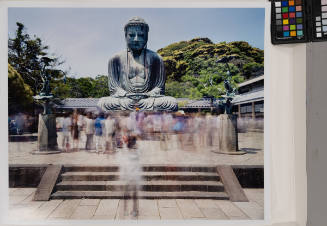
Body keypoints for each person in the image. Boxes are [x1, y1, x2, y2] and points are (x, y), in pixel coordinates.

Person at [97, 17, 177, 112]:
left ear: (147, 36)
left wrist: (149, 94)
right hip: (125, 100)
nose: (136, 39)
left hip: (148, 100)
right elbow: (114, 87)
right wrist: (125, 95)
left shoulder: (156, 58)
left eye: (141, 35)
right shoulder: (115, 59)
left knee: (171, 102)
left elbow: (159, 87)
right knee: (102, 103)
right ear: (125, 36)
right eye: (131, 35)